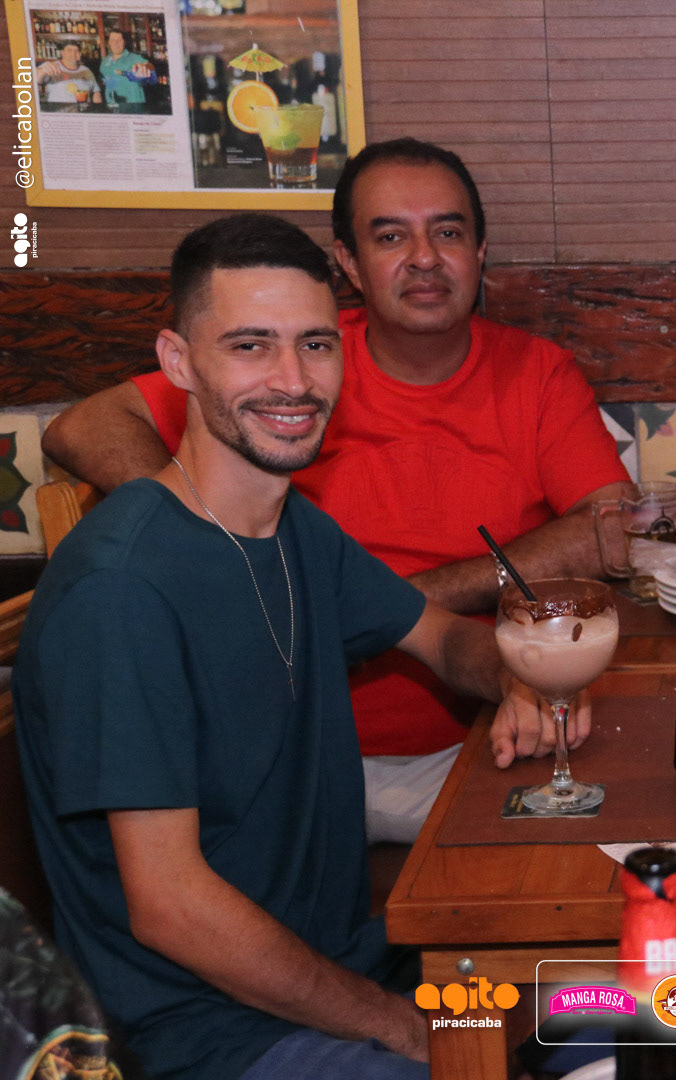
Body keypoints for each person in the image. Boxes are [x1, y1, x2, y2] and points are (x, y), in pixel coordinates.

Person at [15, 214, 551, 1080]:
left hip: (343, 966)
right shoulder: (121, 592)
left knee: (662, 1002)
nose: (293, 380)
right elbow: (171, 907)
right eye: (250, 346)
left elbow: (446, 638)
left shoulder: (293, 528)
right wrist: (401, 1029)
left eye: (315, 344)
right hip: (209, 1036)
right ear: (178, 361)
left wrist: (515, 676)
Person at [43, 138, 633, 842]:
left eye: (448, 233)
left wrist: (373, 605)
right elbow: (83, 426)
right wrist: (204, 534)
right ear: (349, 263)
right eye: (391, 236)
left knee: (634, 804)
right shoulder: (284, 374)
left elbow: (614, 527)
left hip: (473, 739)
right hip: (289, 757)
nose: (424, 258)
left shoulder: (524, 373)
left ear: (480, 252)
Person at [98, 30, 153, 114]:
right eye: (113, 40)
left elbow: (150, 66)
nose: (116, 43)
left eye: (119, 40)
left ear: (124, 42)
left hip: (133, 108)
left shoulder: (134, 58)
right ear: (109, 42)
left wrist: (145, 67)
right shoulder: (105, 61)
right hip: (112, 108)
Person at [36, 43, 100, 111]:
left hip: (82, 113)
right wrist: (42, 71)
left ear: (80, 54)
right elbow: (35, 77)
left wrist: (98, 110)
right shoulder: (53, 66)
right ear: (62, 53)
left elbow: (96, 92)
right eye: (69, 50)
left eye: (77, 50)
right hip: (59, 113)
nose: (73, 53)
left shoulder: (87, 71)